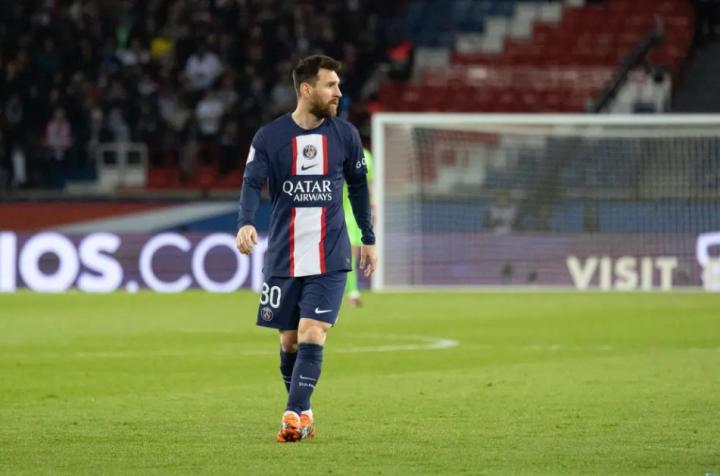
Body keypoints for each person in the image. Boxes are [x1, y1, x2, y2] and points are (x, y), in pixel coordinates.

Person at [235, 55, 377, 443]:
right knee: (289, 340)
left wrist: (368, 237)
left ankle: (291, 415)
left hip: (330, 253)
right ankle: (306, 413)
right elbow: (251, 182)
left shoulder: (346, 135)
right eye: (331, 85)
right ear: (306, 89)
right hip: (284, 254)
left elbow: (359, 188)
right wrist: (246, 221)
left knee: (313, 330)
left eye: (338, 84)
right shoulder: (269, 137)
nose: (339, 92)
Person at [343, 146, 374, 306]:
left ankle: (352, 291)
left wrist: (372, 207)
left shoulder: (366, 156)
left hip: (355, 211)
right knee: (346, 254)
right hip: (337, 210)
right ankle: (350, 291)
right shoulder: (337, 151)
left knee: (351, 254)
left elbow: (368, 185)